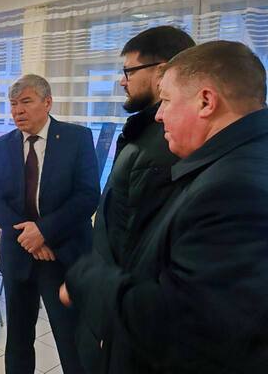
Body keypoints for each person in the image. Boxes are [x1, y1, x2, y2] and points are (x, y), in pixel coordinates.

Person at [64, 40, 268, 373]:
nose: (159, 115)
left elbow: (184, 327)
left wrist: (88, 279)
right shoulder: (235, 161)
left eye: (167, 100)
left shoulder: (235, 188)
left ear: (206, 101)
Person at [75, 26, 195, 371]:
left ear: (162, 71)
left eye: (128, 71)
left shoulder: (164, 145)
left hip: (123, 315)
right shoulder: (143, 134)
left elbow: (134, 245)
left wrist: (106, 309)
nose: (122, 81)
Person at [0, 74, 100, 374]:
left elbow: (88, 195)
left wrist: (44, 231)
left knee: (71, 340)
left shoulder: (77, 139)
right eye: (13, 104)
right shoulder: (2, 145)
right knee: (18, 339)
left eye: (26, 102)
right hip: (19, 254)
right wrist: (30, 238)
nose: (17, 111)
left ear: (47, 102)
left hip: (62, 255)